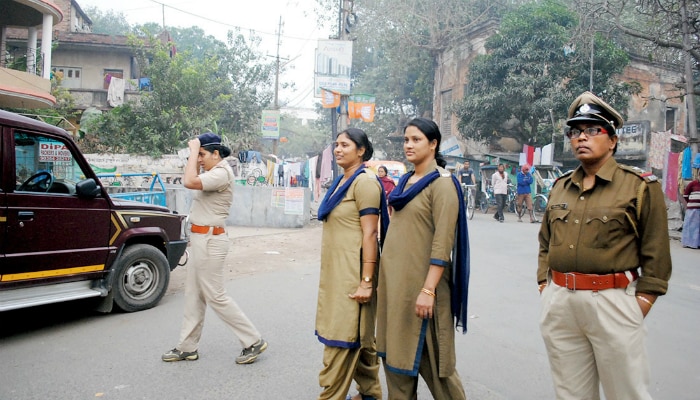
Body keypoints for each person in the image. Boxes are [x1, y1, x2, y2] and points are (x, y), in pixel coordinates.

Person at [537, 91, 672, 399]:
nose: (581, 138)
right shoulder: (560, 188)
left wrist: (641, 306)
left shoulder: (639, 187)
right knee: (570, 393)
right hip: (561, 303)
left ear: (612, 140)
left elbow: (657, 255)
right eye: (575, 131)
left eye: (592, 130)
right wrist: (546, 289)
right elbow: (545, 243)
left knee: (626, 393)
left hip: (612, 301)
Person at [376, 117, 470, 400]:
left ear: (433, 144)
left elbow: (442, 243)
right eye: (406, 139)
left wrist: (428, 290)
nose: (408, 145)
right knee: (395, 361)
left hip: (424, 291)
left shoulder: (442, 184)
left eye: (416, 139)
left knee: (438, 370)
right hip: (397, 291)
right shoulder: (404, 182)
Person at [162, 132, 268, 365]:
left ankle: (252, 340)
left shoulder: (221, 172)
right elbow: (193, 178)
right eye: (197, 155)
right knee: (194, 295)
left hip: (211, 240)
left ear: (216, 154)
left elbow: (189, 181)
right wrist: (195, 153)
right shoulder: (212, 172)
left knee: (216, 295)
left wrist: (192, 151)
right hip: (202, 239)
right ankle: (187, 347)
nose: (198, 159)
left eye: (202, 154)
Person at [315, 128, 389, 400]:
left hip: (355, 274)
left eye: (345, 145)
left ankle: (330, 395)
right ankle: (370, 394)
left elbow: (371, 233)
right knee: (362, 337)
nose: (338, 149)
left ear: (361, 150)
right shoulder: (340, 181)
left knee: (342, 337)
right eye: (336, 144)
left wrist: (367, 281)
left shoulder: (365, 182)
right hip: (337, 273)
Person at [681, 160, 700, 249]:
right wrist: (691, 203)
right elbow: (685, 195)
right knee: (690, 226)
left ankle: (697, 244)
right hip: (692, 209)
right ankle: (689, 243)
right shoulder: (692, 184)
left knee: (697, 228)